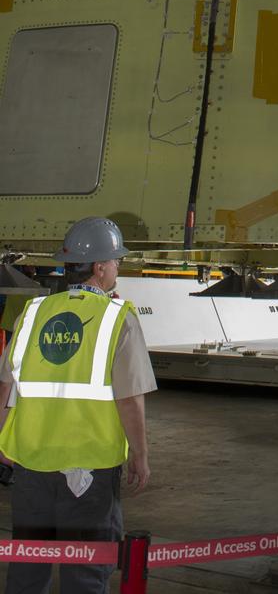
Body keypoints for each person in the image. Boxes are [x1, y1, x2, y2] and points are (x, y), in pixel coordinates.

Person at [0, 217, 157, 594]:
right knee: (85, 572)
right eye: (116, 260)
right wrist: (140, 454)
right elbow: (129, 399)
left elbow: (7, 387)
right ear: (100, 267)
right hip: (89, 470)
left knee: (27, 569)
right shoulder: (118, 318)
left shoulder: (32, 313)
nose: (118, 267)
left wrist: (2, 442)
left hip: (31, 462)